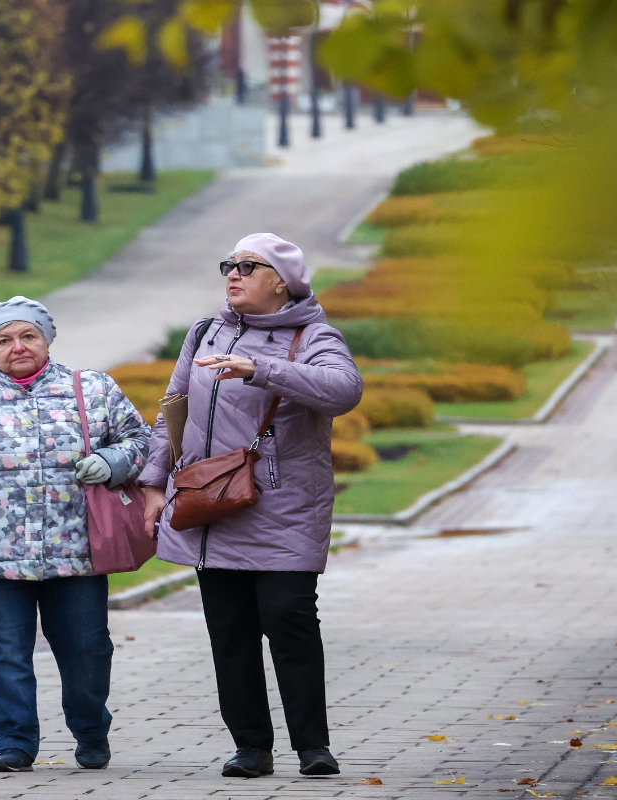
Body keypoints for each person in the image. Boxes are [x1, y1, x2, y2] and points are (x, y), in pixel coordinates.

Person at [138, 234, 363, 779]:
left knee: (288, 619)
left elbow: (344, 390)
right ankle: (251, 747)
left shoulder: (314, 335)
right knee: (231, 631)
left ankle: (313, 745)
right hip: (212, 506)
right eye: (229, 265)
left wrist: (259, 369)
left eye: (247, 266)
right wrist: (152, 481)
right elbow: (175, 405)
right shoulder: (205, 332)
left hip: (285, 508)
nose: (233, 274)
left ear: (280, 281)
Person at [0, 296, 151, 772]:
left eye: (27, 336)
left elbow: (143, 442)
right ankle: (14, 743)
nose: (17, 346)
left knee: (87, 651)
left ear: (46, 340)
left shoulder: (94, 389)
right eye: (4, 340)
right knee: (5, 656)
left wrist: (112, 461)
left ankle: (89, 727)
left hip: (77, 552)